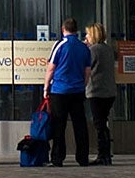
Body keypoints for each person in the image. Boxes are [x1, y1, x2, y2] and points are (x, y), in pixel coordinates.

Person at [45, 19, 92, 167]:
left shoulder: (60, 45)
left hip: (59, 90)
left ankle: (58, 158)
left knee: (59, 124)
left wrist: (46, 87)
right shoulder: (84, 48)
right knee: (80, 124)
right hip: (77, 90)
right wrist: (82, 85)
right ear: (76, 30)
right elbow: (87, 71)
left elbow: (51, 68)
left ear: (62, 29)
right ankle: (83, 157)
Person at [84, 22, 117, 166]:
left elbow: (86, 67)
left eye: (87, 34)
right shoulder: (107, 49)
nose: (86, 37)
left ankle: (102, 154)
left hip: (97, 91)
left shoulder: (94, 50)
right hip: (109, 91)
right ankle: (106, 153)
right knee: (103, 122)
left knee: (99, 124)